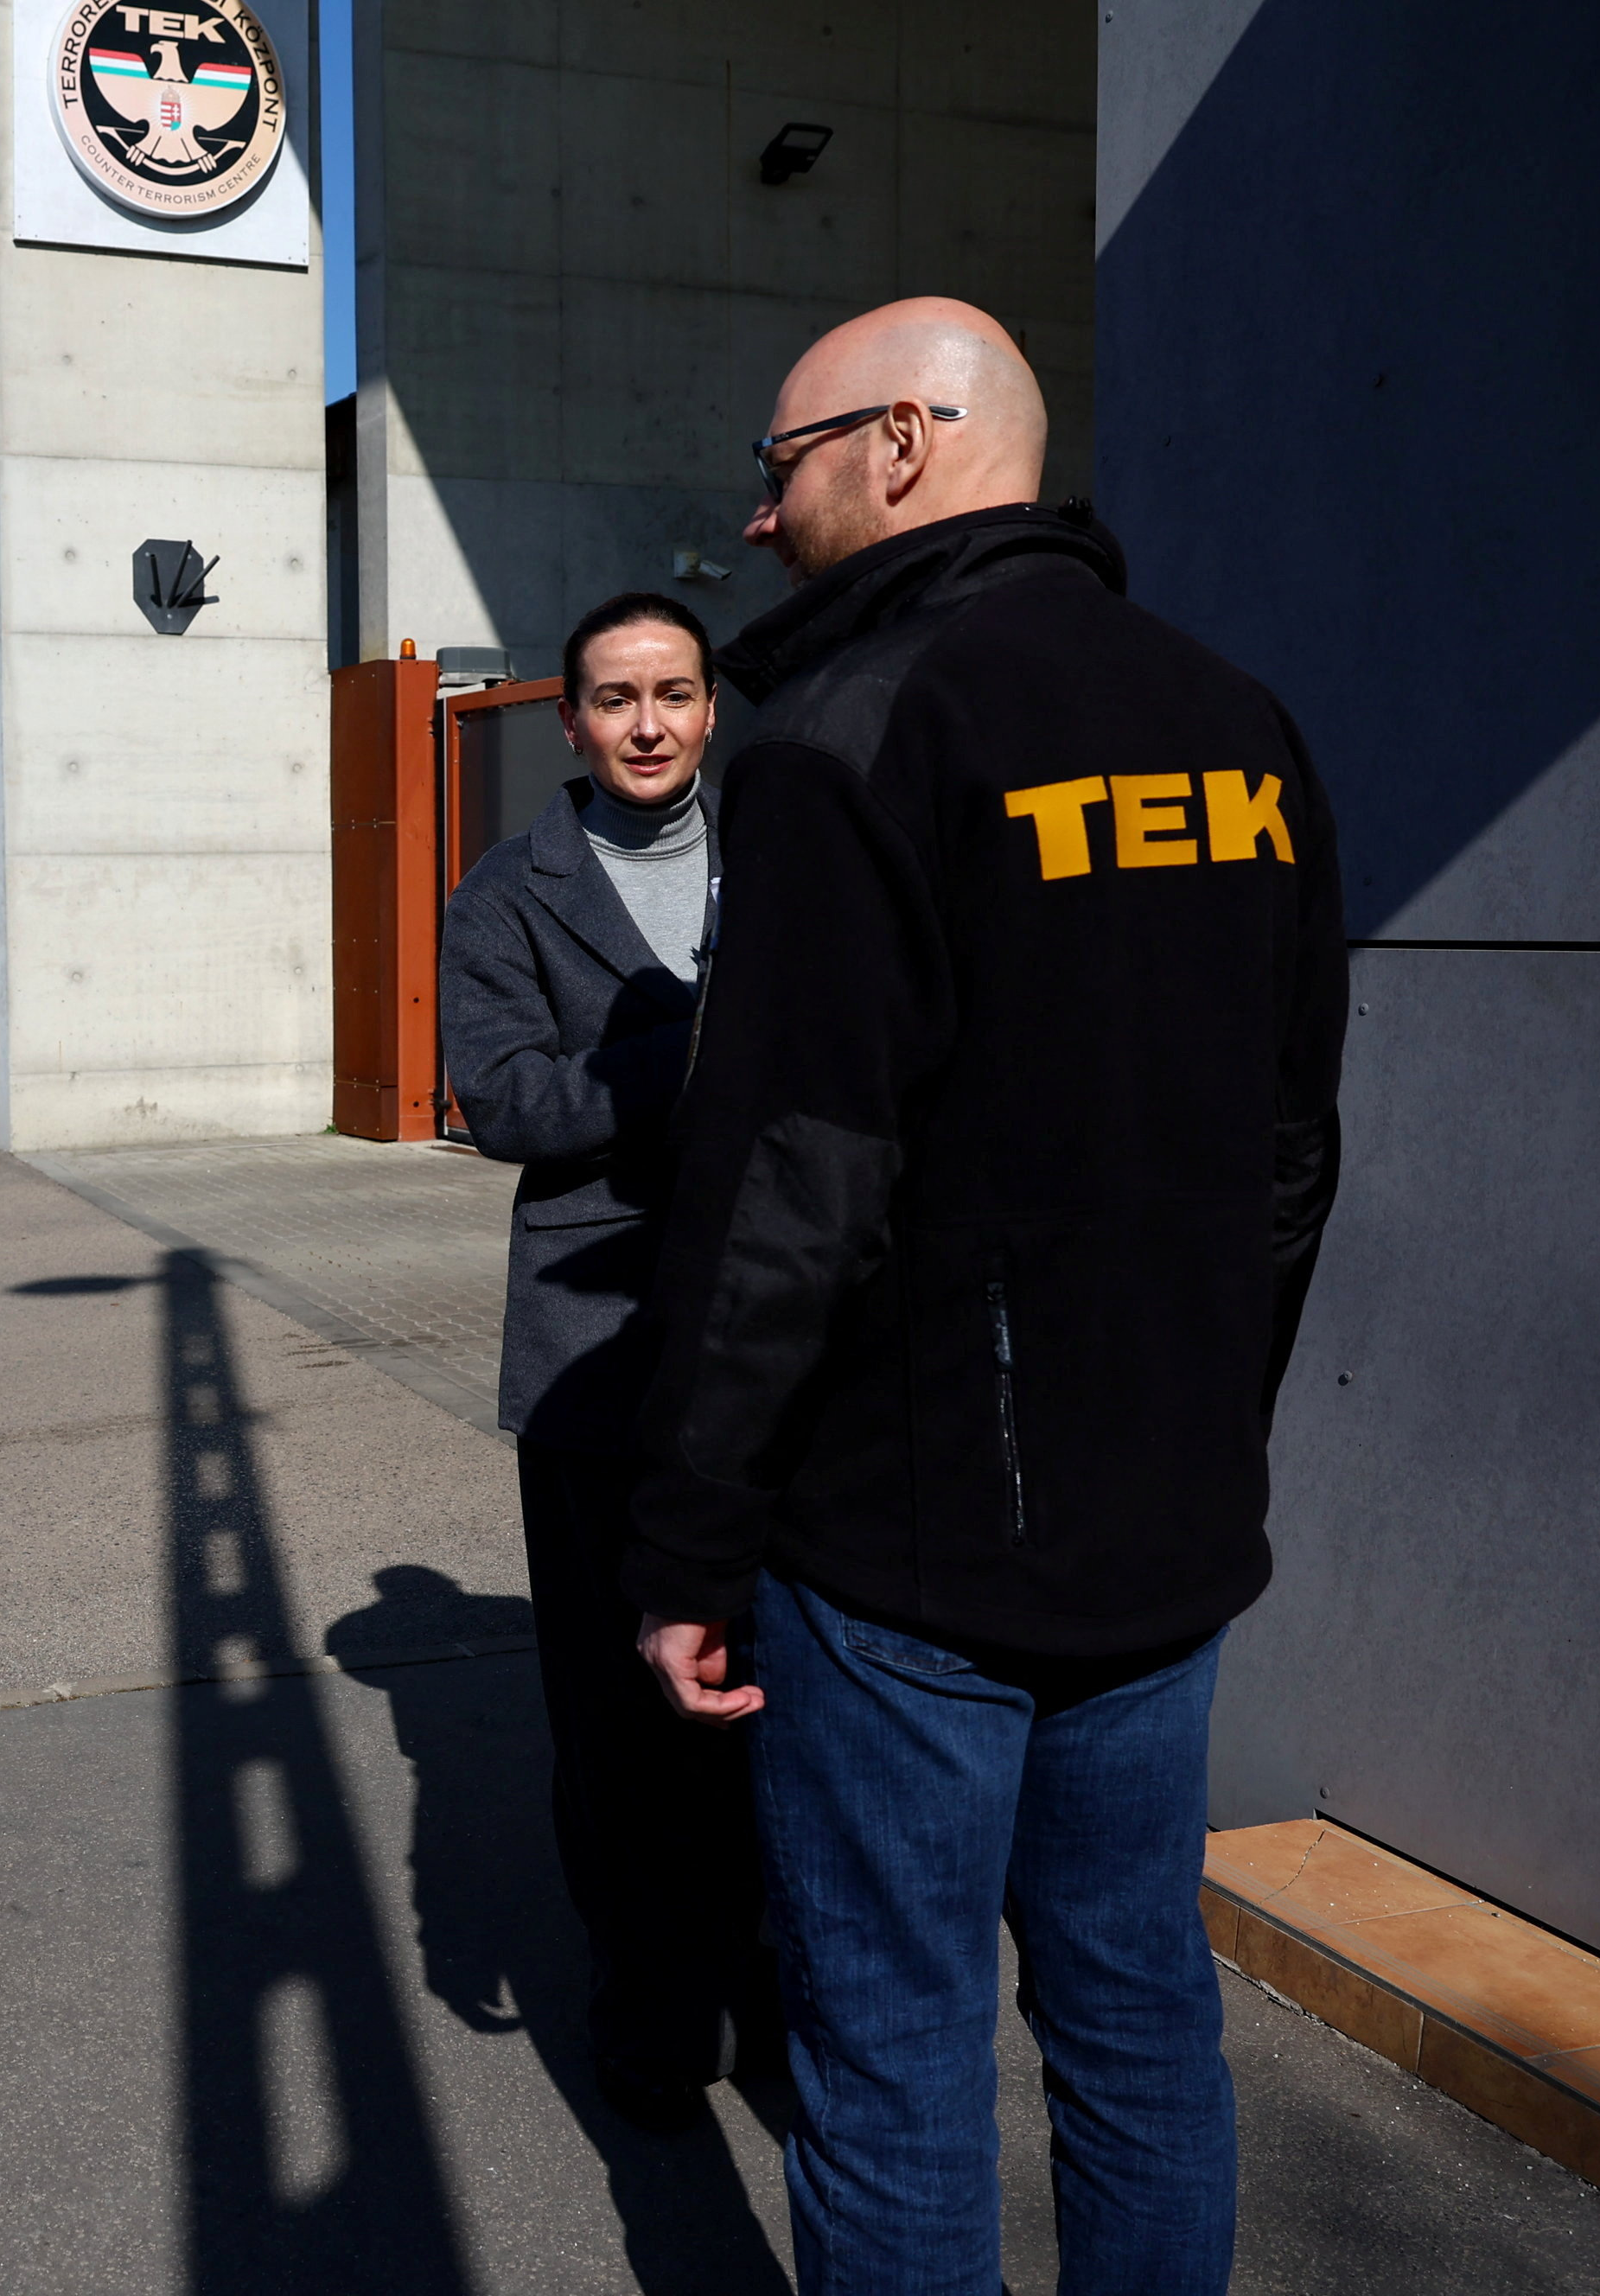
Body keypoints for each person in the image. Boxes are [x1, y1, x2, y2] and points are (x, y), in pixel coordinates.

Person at [624, 297, 1348, 2293]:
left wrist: (685, 1534)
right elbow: (1291, 1149)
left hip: (907, 1557)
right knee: (1136, 2027)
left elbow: (787, 1188)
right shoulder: (1241, 720)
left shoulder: (854, 735)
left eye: (777, 467)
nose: (759, 522)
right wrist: (1201, 1416)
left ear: (907, 442)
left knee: (893, 2062)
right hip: (1163, 1539)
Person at [437, 591, 776, 2124]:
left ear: (712, 709)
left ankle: (779, 2003)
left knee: (783, 1703)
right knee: (615, 1722)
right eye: (615, 699)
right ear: (566, 723)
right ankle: (648, 2007)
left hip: (779, 1344)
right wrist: (702, 1042)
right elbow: (505, 1103)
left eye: (676, 694)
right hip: (593, 1363)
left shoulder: (785, 865)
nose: (649, 723)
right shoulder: (508, 893)